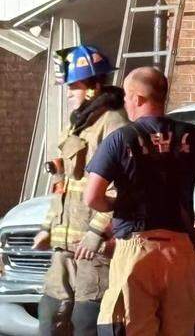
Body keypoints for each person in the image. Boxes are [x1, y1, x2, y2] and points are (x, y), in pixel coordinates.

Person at [83, 67, 195, 336]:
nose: (125, 104)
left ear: (139, 98)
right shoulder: (191, 135)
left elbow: (92, 197)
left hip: (136, 250)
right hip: (180, 251)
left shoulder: (121, 138)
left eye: (127, 98)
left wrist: (114, 205)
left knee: (131, 326)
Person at [32, 46, 129, 336]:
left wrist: (97, 231)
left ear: (93, 87)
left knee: (88, 322)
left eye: (74, 86)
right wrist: (48, 226)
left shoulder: (113, 124)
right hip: (64, 246)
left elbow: (122, 186)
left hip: (93, 250)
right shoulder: (77, 124)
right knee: (49, 317)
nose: (69, 92)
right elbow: (62, 181)